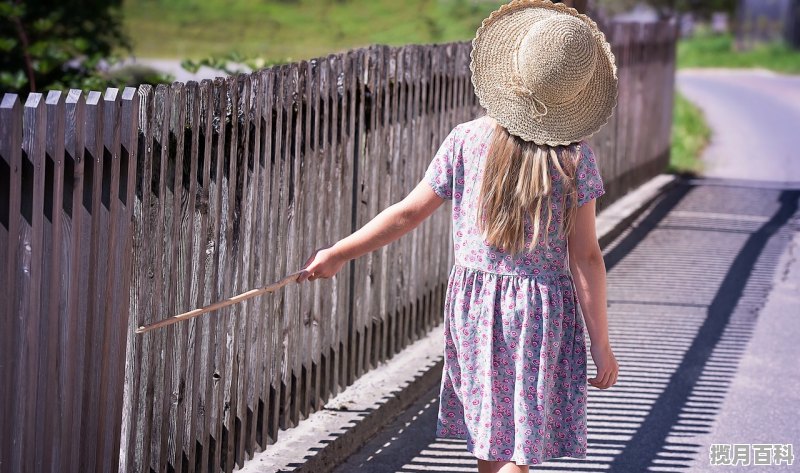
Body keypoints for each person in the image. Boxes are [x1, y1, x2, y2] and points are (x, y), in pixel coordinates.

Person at [295, 1, 619, 471]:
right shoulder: (574, 160)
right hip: (540, 311)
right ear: (575, 97)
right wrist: (601, 342)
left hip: (475, 308)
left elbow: (406, 215)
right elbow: (586, 258)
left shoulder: (466, 140)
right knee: (521, 448)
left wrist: (338, 253)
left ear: (510, 73)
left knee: (491, 441)